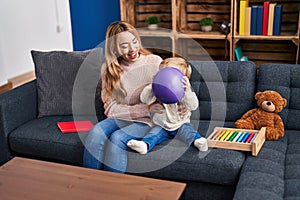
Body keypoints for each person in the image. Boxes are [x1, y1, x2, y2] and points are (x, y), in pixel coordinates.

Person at [83, 21, 163, 173]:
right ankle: (89, 187)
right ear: (114, 48)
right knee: (96, 133)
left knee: (117, 138)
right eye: (124, 46)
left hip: (147, 121)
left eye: (134, 42)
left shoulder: (154, 62)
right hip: (122, 116)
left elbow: (161, 103)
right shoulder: (109, 69)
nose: (132, 49)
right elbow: (110, 108)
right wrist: (144, 109)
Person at [127, 57, 208, 154]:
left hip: (180, 125)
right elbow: (143, 98)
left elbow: (193, 106)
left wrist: (187, 91)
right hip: (162, 126)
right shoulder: (157, 92)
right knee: (153, 134)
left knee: (189, 132)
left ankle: (198, 142)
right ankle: (145, 145)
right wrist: (152, 85)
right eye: (162, 73)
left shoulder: (184, 93)